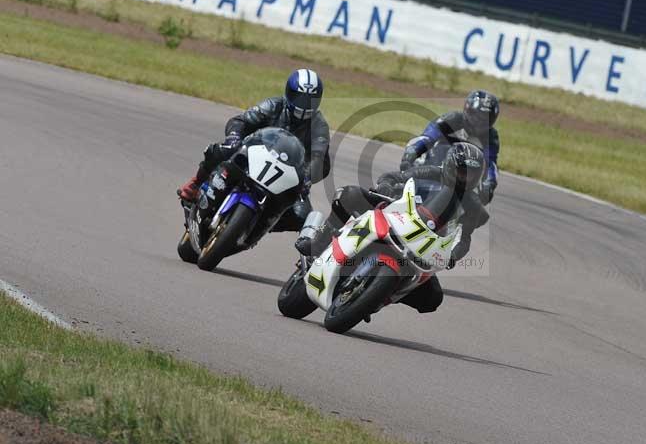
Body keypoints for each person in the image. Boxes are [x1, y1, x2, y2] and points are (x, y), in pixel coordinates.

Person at [295, 142, 489, 314]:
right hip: (396, 215)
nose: (464, 178)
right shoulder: (430, 173)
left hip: (424, 245)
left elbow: (464, 238)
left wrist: (453, 255)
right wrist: (386, 186)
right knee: (349, 194)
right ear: (450, 166)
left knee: (433, 298)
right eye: (462, 172)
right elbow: (394, 176)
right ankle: (317, 243)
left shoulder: (472, 206)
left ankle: (379, 294)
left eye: (470, 175)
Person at [178, 68, 330, 232]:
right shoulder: (273, 105)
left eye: (309, 100)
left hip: (286, 175)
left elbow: (319, 158)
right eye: (299, 97)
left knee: (303, 215)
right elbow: (240, 120)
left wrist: (306, 177)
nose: (303, 104)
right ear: (289, 93)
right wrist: (234, 137)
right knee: (227, 148)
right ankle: (196, 184)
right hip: (254, 155)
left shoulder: (319, 125)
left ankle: (259, 226)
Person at [401, 90, 500, 204]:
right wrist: (411, 154)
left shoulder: (491, 136)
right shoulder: (451, 119)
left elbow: (491, 164)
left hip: (463, 181)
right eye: (477, 116)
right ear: (468, 110)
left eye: (485, 119)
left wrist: (489, 184)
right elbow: (427, 138)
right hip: (432, 168)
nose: (480, 122)